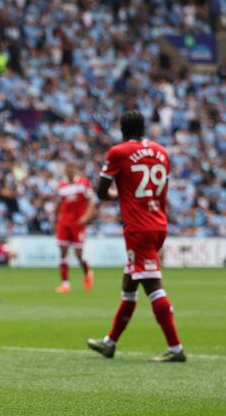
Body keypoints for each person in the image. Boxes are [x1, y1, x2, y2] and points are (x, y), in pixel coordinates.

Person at [87, 110, 185, 362]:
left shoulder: (118, 152)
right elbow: (159, 189)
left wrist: (119, 195)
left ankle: (176, 348)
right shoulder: (162, 152)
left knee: (153, 286)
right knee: (129, 284)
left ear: (122, 129)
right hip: (158, 222)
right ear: (143, 128)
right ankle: (110, 343)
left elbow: (101, 192)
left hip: (139, 227)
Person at [54, 161, 95, 293]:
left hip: (78, 223)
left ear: (75, 169)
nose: (70, 170)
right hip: (64, 223)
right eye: (68, 168)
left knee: (78, 254)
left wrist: (86, 216)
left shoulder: (83, 183)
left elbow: (91, 201)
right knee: (63, 251)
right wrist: (55, 220)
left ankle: (87, 272)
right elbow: (58, 205)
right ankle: (65, 284)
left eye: (72, 168)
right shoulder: (61, 186)